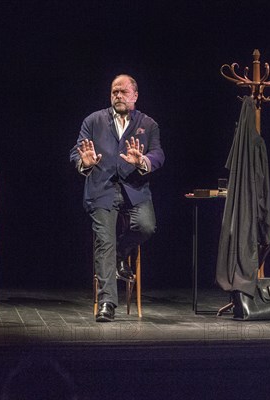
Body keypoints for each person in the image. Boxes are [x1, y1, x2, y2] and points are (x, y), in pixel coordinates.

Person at [70, 74, 165, 322]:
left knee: (146, 226)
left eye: (123, 92)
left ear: (134, 95)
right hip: (101, 190)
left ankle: (121, 253)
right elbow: (76, 151)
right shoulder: (94, 121)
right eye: (114, 92)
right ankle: (107, 303)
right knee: (104, 241)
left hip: (134, 189)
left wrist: (142, 161)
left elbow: (158, 154)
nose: (118, 96)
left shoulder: (148, 124)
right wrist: (84, 161)